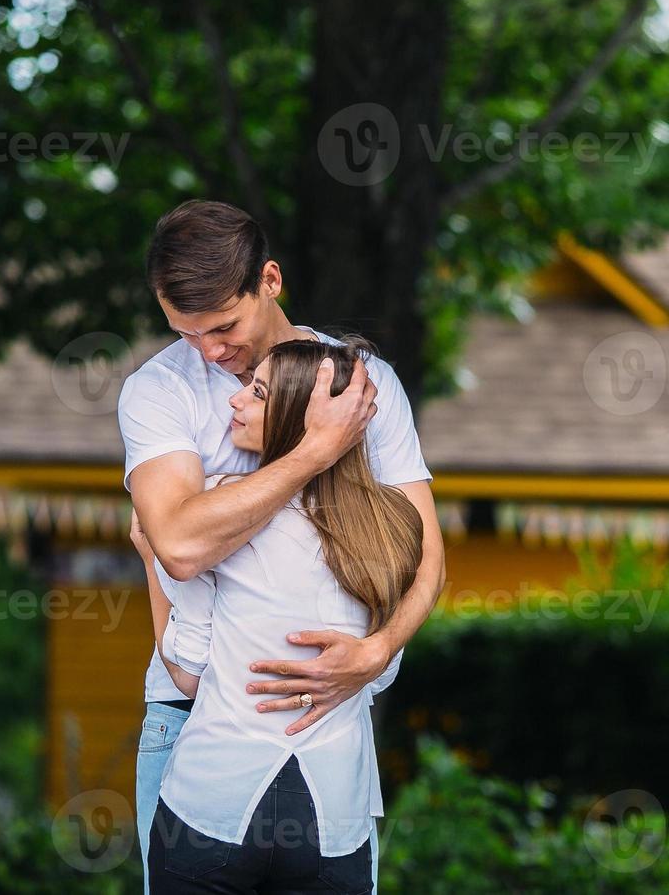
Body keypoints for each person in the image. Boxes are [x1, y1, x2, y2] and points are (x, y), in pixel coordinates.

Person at [119, 200, 445, 891]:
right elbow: (178, 547)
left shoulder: (367, 386)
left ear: (270, 279)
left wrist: (378, 652)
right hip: (191, 723)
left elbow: (425, 559)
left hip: (332, 724)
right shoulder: (158, 390)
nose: (208, 352)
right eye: (185, 333)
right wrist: (316, 449)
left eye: (223, 327)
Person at [137, 338, 418, 894]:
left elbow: (188, 671)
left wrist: (151, 558)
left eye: (258, 392)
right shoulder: (392, 526)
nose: (235, 402)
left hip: (212, 807)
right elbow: (379, 672)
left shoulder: (217, 511)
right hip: (335, 822)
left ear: (297, 416)